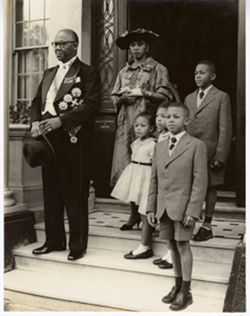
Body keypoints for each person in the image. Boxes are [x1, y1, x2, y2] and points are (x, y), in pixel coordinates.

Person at [30, 29, 101, 261]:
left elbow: (91, 106)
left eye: (62, 44)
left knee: (74, 192)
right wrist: (34, 122)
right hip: (48, 140)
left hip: (73, 141)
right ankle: (54, 241)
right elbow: (36, 103)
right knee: (51, 191)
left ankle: (77, 245)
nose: (57, 48)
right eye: (55, 44)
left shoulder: (88, 72)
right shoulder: (49, 72)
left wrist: (61, 121)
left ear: (75, 45)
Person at [111, 28, 177, 231]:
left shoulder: (158, 69)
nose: (136, 48)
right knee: (131, 170)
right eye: (132, 45)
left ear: (147, 46)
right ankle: (133, 215)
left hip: (148, 124)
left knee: (148, 171)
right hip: (126, 127)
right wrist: (121, 99)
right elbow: (113, 96)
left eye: (139, 44)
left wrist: (144, 92)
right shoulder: (123, 72)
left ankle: (149, 214)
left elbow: (166, 97)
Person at [147, 102, 208, 311]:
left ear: (187, 121)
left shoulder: (196, 146)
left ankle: (186, 291)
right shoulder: (160, 145)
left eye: (176, 117)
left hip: (184, 208)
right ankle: (177, 285)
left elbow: (200, 183)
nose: (170, 120)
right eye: (167, 117)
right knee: (171, 246)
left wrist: (193, 210)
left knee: (183, 246)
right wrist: (151, 207)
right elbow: (154, 179)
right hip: (164, 207)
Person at [185, 60, 232, 242]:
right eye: (196, 72)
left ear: (212, 76)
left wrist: (221, 155)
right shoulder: (189, 98)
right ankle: (189, 221)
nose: (198, 76)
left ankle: (207, 225)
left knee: (210, 187)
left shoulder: (221, 97)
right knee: (191, 186)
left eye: (202, 72)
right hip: (191, 151)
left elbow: (225, 128)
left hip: (211, 151)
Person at [111, 112, 156, 259]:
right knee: (133, 197)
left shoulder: (153, 144)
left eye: (143, 126)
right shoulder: (135, 143)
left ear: (151, 128)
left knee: (145, 207)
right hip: (135, 172)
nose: (138, 128)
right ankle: (134, 218)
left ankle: (145, 244)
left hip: (146, 175)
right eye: (136, 125)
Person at [152, 101, 173, 269]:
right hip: (161, 184)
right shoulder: (160, 136)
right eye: (158, 116)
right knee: (164, 221)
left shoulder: (170, 137)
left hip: (171, 185)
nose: (160, 120)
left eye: (165, 117)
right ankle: (168, 251)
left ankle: (173, 254)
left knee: (172, 221)